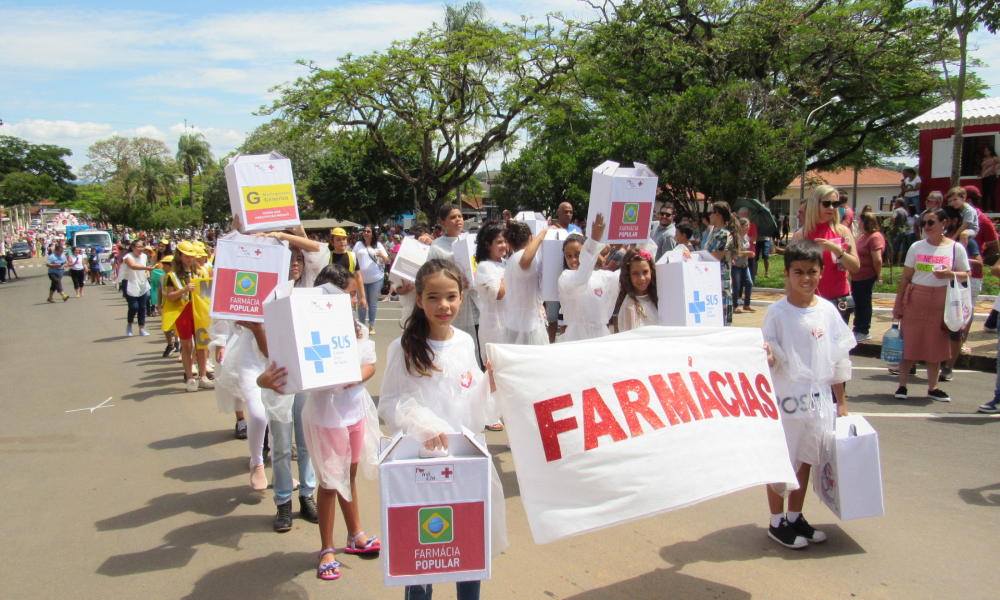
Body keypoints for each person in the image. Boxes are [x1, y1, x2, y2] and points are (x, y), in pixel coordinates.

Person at [378, 259, 506, 600]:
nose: (443, 305)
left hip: (464, 464)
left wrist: (490, 383)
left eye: (451, 296)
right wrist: (422, 424)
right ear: (419, 299)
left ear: (462, 297)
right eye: (433, 297)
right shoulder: (404, 347)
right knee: (423, 555)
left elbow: (473, 400)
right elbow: (389, 404)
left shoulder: (465, 342)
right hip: (422, 468)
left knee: (468, 551)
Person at [265, 264, 381, 580]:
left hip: (356, 413)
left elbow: (369, 363)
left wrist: (356, 375)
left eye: (356, 296)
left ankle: (355, 534)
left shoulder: (357, 328)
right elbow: (278, 374)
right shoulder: (305, 333)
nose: (355, 301)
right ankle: (326, 548)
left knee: (350, 473)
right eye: (350, 295)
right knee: (329, 482)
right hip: (327, 418)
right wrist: (266, 379)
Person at [762, 239, 855, 549]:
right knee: (781, 459)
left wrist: (840, 401)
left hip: (816, 400)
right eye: (798, 272)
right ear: (787, 273)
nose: (805, 279)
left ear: (822, 272)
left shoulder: (827, 311)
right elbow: (770, 355)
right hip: (786, 399)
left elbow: (837, 357)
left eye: (812, 272)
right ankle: (776, 522)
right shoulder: (777, 313)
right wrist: (768, 357)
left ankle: (795, 514)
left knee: (805, 458)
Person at [891, 207, 970, 402]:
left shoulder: (955, 248)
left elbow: (967, 274)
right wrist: (898, 303)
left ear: (944, 223)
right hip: (916, 298)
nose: (926, 226)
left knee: (936, 345)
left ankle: (933, 388)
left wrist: (950, 274)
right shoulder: (917, 247)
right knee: (910, 341)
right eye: (923, 223)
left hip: (942, 301)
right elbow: (906, 277)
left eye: (930, 222)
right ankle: (902, 386)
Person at [792, 185, 860, 324]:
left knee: (835, 345)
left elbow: (855, 266)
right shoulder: (801, 235)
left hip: (838, 301)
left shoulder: (842, 231)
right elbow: (791, 274)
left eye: (835, 204)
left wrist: (836, 250)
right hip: (808, 301)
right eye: (826, 203)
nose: (831, 208)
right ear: (814, 204)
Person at [428, 204, 480, 361]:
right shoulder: (437, 246)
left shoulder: (472, 240)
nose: (458, 219)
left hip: (475, 299)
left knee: (477, 341)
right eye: (452, 217)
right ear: (443, 223)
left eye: (460, 216)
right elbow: (432, 272)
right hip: (452, 302)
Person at [558, 214, 620, 341]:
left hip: (600, 336)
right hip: (576, 337)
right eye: (568, 256)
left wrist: (636, 245)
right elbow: (581, 280)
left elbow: (624, 277)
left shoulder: (602, 277)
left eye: (578, 254)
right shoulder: (566, 278)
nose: (573, 259)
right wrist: (593, 242)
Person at [163, 242, 214, 391]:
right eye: (187, 256)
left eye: (192, 256)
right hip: (183, 313)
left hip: (199, 312)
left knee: (202, 345)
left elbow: (207, 293)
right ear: (179, 256)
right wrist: (184, 290)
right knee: (186, 346)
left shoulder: (200, 272)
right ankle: (190, 378)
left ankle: (203, 377)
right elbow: (170, 297)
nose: (190, 259)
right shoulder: (171, 276)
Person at [503, 220, 551, 345]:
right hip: (527, 327)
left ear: (509, 244)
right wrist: (542, 234)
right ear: (531, 238)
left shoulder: (511, 260)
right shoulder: (520, 257)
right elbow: (525, 261)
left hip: (514, 323)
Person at [473, 223, 508, 364]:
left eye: (505, 241)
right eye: (499, 242)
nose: (504, 245)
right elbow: (497, 294)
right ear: (488, 245)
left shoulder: (506, 263)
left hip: (509, 321)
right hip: (494, 325)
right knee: (495, 365)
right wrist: (511, 273)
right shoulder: (484, 267)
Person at [850, 212, 885, 342]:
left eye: (860, 221)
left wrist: (878, 274)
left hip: (866, 275)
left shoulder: (874, 237)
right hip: (856, 276)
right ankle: (857, 327)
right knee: (857, 303)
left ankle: (864, 329)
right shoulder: (863, 236)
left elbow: (877, 260)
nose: (858, 223)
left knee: (864, 303)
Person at [705, 202, 740, 325]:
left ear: (718, 215)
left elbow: (715, 258)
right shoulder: (716, 232)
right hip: (714, 278)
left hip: (720, 279)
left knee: (722, 315)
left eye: (711, 213)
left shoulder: (723, 234)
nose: (709, 216)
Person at [352, 225, 389, 335]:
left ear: (373, 233)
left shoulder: (378, 245)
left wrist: (382, 255)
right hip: (360, 279)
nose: (366, 233)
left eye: (368, 231)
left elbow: (387, 261)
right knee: (362, 303)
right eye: (364, 231)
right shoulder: (358, 244)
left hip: (376, 278)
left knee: (372, 303)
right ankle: (362, 325)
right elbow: (353, 257)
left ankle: (372, 325)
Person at [617, 248, 659, 332]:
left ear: (651, 271)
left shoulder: (656, 296)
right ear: (628, 275)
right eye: (635, 274)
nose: (642, 278)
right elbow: (631, 338)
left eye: (645, 272)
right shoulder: (630, 305)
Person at [329, 227, 367, 314]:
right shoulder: (328, 256)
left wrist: (363, 297)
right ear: (332, 242)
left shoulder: (353, 256)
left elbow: (358, 277)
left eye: (344, 239)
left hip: (349, 296)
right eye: (338, 240)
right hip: (333, 295)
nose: (342, 242)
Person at [120, 239, 154, 336]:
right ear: (133, 248)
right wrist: (147, 269)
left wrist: (147, 273)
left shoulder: (144, 256)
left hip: (142, 282)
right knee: (134, 306)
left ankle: (141, 328)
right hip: (130, 282)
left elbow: (146, 266)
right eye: (138, 247)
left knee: (142, 306)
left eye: (141, 247)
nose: (140, 249)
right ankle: (129, 325)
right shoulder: (128, 257)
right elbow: (133, 266)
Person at [731, 218, 756, 314]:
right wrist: (745, 253)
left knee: (749, 283)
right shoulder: (736, 238)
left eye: (749, 225)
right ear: (740, 226)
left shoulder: (747, 237)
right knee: (736, 285)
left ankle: (747, 304)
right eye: (746, 225)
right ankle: (735, 305)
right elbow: (733, 252)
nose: (748, 227)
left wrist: (750, 254)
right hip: (736, 264)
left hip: (744, 265)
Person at [980, 146, 1000, 211]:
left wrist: (996, 169)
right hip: (984, 177)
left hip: (992, 176)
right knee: (984, 193)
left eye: (986, 150)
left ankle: (992, 208)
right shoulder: (985, 159)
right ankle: (983, 208)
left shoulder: (994, 158)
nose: (984, 152)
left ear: (990, 151)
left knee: (991, 192)